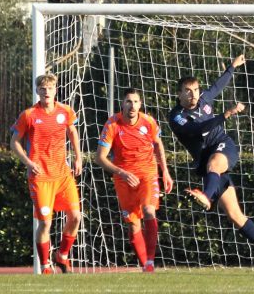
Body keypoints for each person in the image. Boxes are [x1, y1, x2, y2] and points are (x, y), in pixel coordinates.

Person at [168, 55, 254, 273]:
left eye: (195, 89)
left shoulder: (204, 100)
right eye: (187, 90)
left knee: (214, 165)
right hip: (206, 161)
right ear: (179, 94)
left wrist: (232, 67)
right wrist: (225, 115)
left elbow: (217, 86)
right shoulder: (176, 116)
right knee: (234, 215)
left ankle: (206, 196)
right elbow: (196, 130)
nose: (193, 94)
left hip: (223, 147)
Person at [10, 73, 82, 274]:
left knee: (75, 217)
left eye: (50, 88)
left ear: (55, 90)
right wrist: (28, 162)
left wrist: (78, 157)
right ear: (37, 91)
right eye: (42, 89)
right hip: (40, 177)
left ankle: (62, 256)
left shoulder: (65, 111)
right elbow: (14, 142)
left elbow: (72, 132)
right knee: (45, 222)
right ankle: (45, 265)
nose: (46, 92)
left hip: (63, 175)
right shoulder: (29, 115)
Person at [95, 88, 174, 272]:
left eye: (136, 102)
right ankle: (144, 264)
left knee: (148, 210)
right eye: (128, 101)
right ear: (122, 104)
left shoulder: (149, 122)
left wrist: (165, 172)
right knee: (133, 223)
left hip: (148, 174)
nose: (132, 106)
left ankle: (150, 263)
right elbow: (100, 157)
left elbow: (157, 144)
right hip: (124, 179)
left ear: (140, 104)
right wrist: (122, 173)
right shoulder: (112, 124)